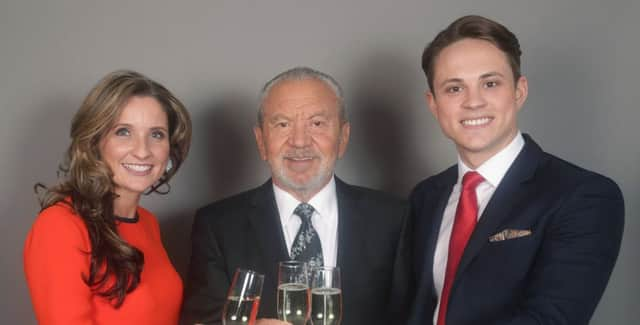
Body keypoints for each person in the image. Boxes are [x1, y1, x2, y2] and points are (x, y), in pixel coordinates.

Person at [408, 15, 625, 325]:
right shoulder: (425, 197)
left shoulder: (583, 196)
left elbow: (552, 319)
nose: (473, 102)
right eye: (454, 89)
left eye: (490, 83)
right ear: (433, 104)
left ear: (519, 91)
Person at [181, 67, 412, 325]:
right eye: (282, 124)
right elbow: (199, 321)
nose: (299, 142)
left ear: (343, 137)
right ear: (261, 141)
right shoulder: (217, 226)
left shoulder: (394, 218)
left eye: (317, 123)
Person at [24, 70, 192, 325]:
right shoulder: (61, 225)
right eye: (123, 132)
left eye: (156, 134)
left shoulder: (148, 223)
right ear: (94, 141)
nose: (143, 150)